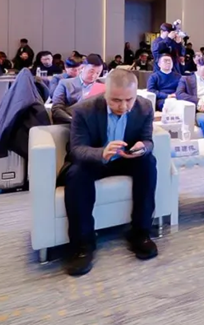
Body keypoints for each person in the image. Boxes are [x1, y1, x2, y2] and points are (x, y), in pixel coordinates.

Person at [59, 69, 158, 276]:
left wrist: (143, 147)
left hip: (125, 158)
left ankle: (140, 233)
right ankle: (82, 245)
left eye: (129, 100)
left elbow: (148, 139)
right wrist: (101, 153)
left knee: (148, 163)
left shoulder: (144, 107)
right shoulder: (84, 109)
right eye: (116, 100)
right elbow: (77, 149)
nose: (123, 106)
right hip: (94, 160)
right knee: (76, 174)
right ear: (105, 93)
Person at [52, 54, 105, 124]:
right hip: (71, 122)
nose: (94, 75)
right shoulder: (65, 84)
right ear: (82, 68)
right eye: (91, 71)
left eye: (98, 73)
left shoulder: (103, 85)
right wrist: (73, 120)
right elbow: (56, 109)